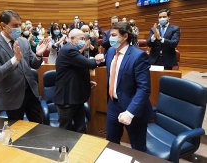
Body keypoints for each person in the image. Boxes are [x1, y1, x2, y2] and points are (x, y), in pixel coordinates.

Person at [0, 10, 49, 122]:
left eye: (19, 25)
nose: (18, 28)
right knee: (16, 131)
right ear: (3, 25)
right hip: (11, 95)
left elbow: (35, 64)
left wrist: (38, 54)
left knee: (38, 126)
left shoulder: (23, 41)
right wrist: (15, 60)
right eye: (14, 25)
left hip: (31, 92)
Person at [105, 22, 152, 152]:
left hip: (132, 108)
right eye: (110, 35)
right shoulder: (110, 51)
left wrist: (130, 112)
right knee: (111, 142)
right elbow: (112, 74)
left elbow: (144, 88)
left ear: (125, 36)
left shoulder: (138, 56)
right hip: (113, 104)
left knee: (137, 148)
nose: (110, 38)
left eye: (114, 35)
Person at [54, 29, 105, 133]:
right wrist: (100, 59)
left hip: (75, 98)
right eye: (81, 39)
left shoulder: (73, 50)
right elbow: (90, 64)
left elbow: (75, 71)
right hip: (67, 99)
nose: (84, 41)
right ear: (72, 39)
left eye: (84, 39)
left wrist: (86, 82)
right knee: (65, 131)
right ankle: (65, 150)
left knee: (80, 128)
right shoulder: (69, 50)